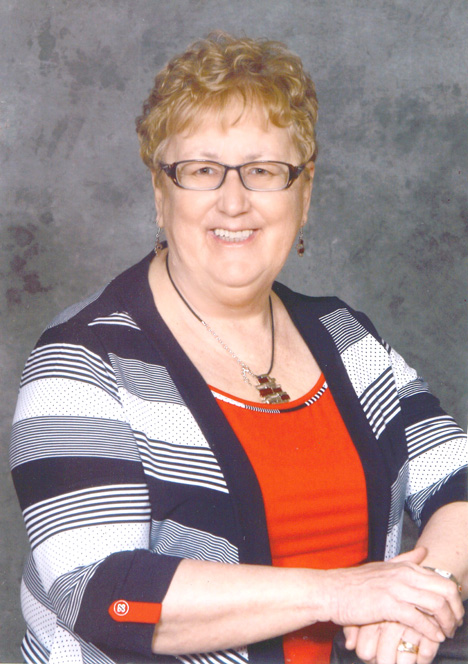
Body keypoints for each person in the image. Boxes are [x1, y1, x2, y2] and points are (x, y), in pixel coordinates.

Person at [10, 32, 467, 664]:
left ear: (303, 194)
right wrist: (338, 594)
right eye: (202, 171)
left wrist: (424, 595)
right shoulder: (82, 362)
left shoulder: (347, 338)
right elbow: (100, 593)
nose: (233, 201)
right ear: (160, 192)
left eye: (264, 171)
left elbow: (458, 481)